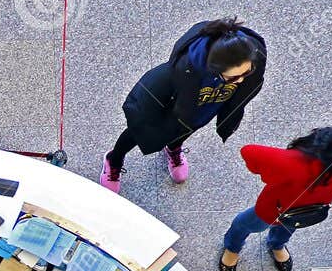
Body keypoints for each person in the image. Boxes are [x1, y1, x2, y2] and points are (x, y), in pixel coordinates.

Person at [100, 19, 266, 193]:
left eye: (247, 72)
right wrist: (149, 129)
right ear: (214, 70)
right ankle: (114, 159)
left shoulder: (248, 58)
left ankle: (173, 148)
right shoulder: (177, 74)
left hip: (201, 111)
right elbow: (141, 112)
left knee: (187, 128)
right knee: (135, 133)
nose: (240, 80)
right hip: (172, 112)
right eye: (233, 78)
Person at [218, 109, 332, 271]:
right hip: (276, 206)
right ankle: (232, 247)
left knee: (291, 226)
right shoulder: (296, 164)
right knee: (248, 224)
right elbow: (249, 151)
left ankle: (277, 244)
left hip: (311, 207)